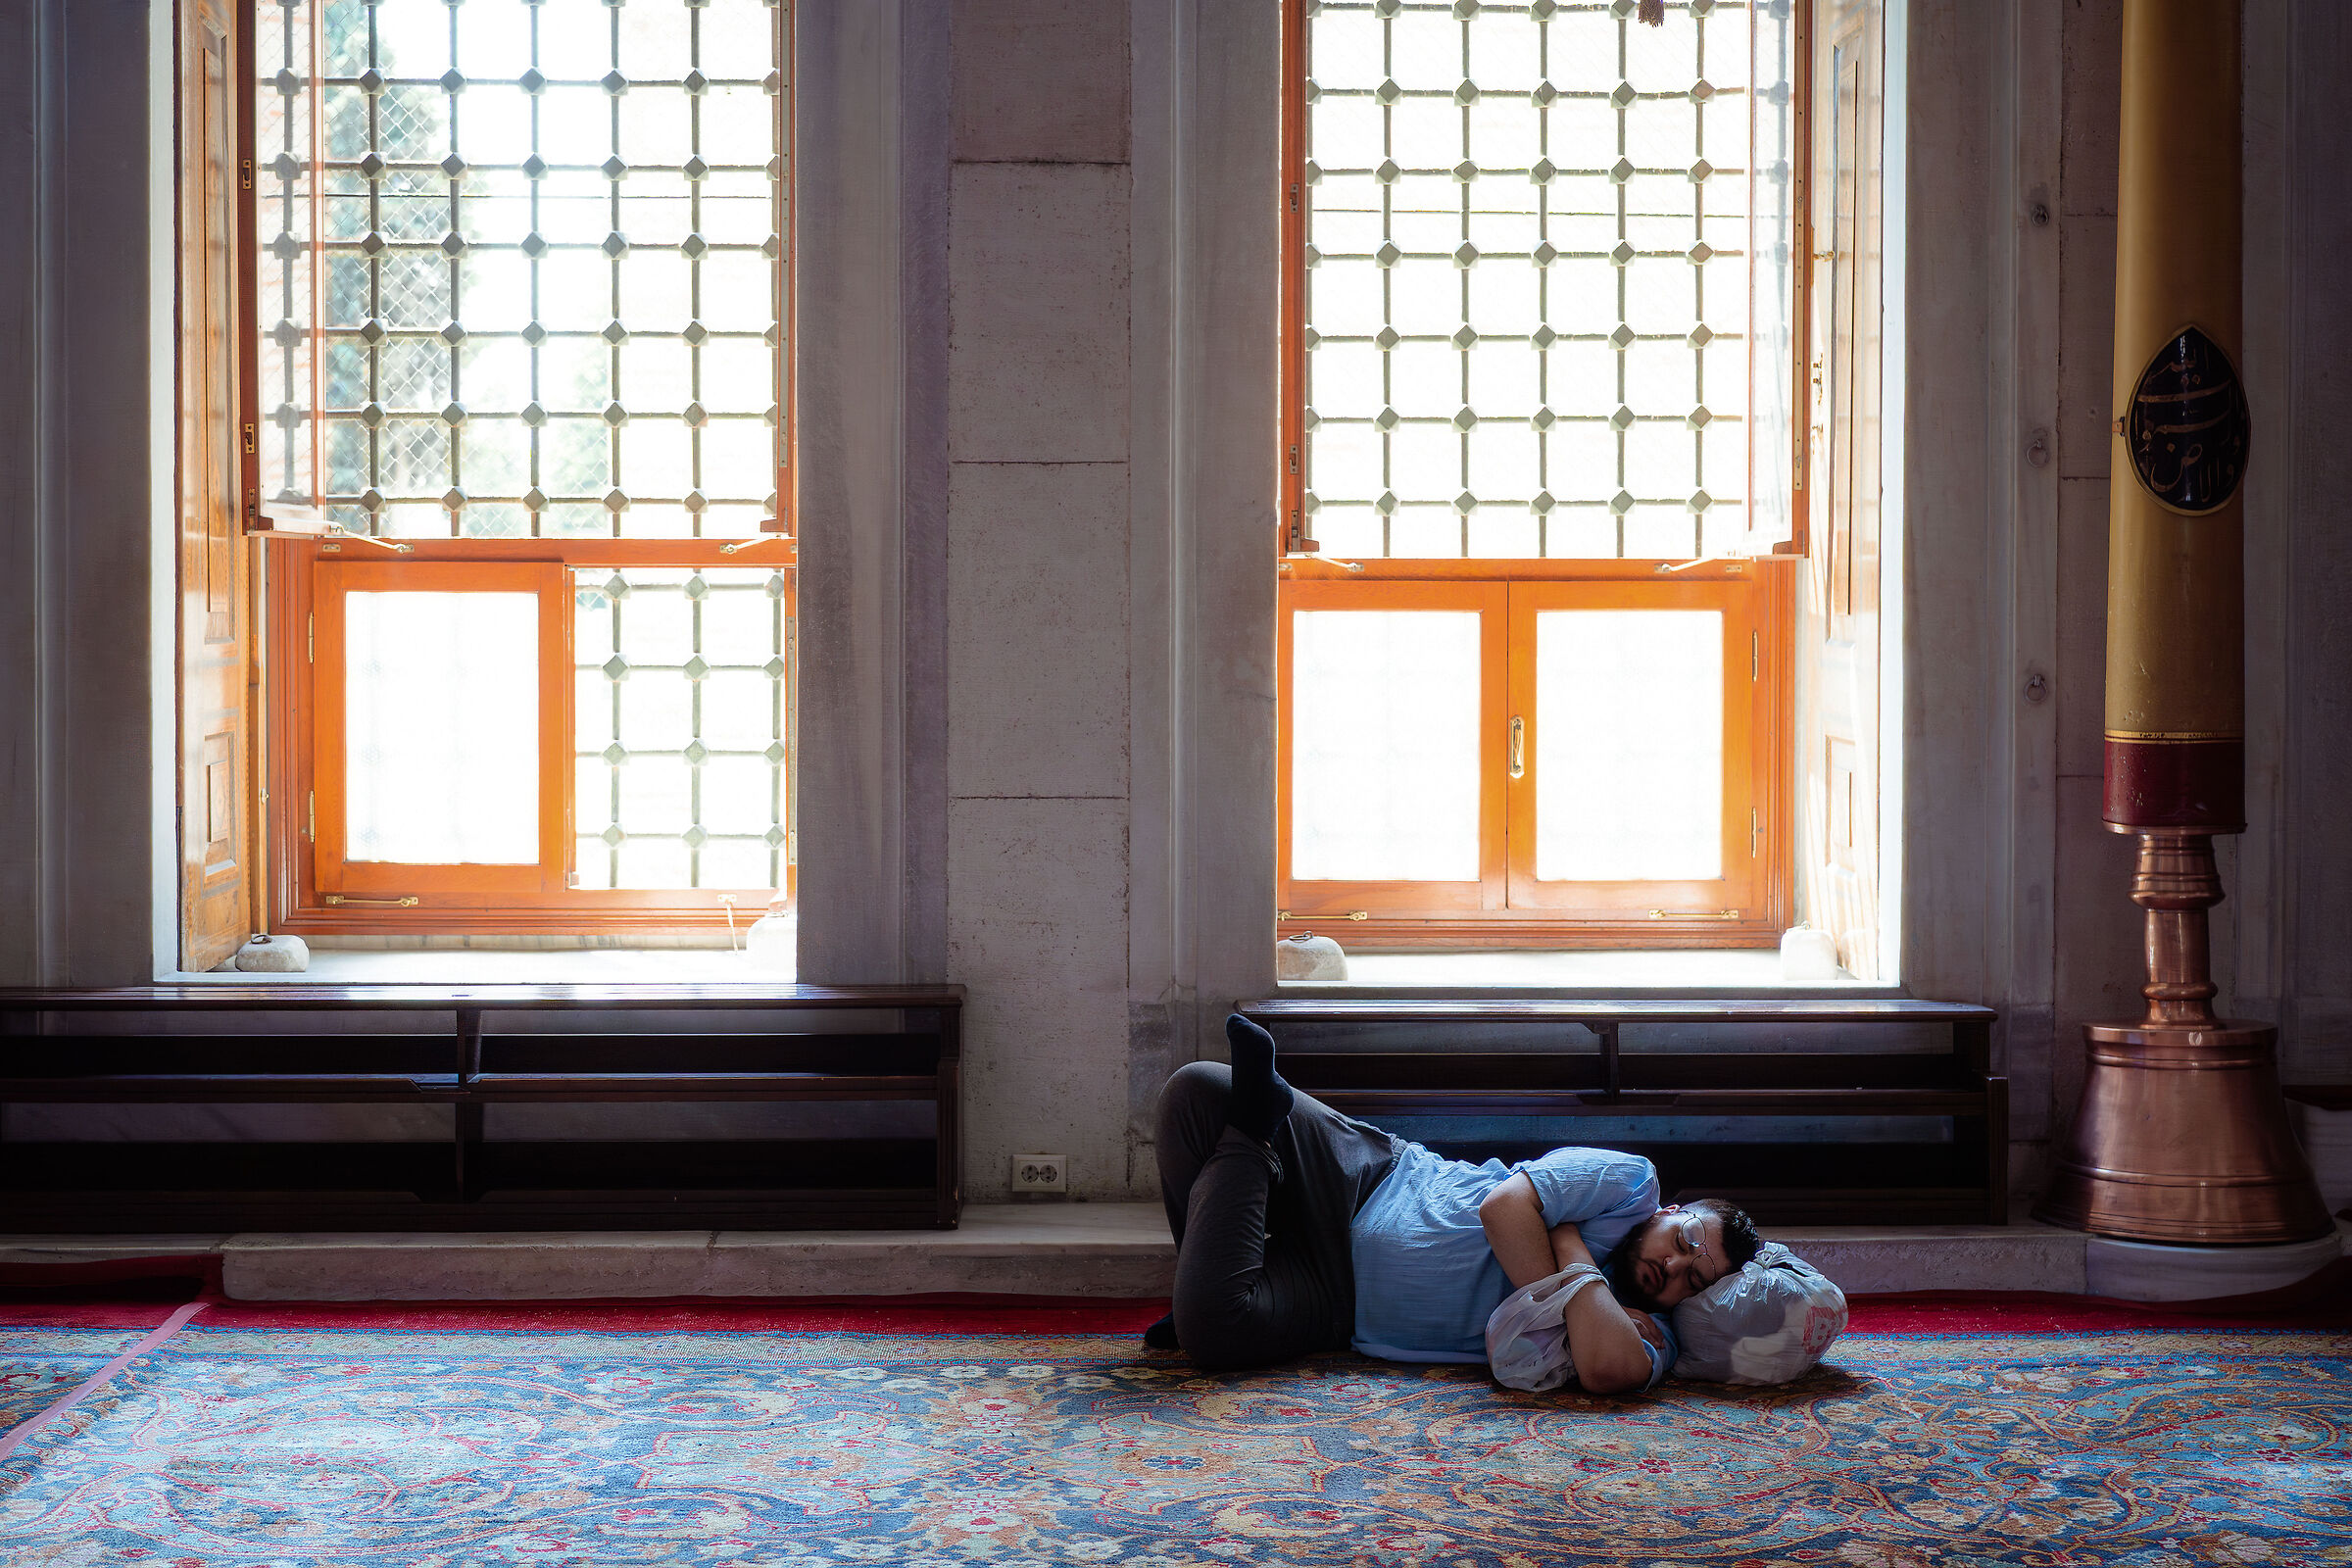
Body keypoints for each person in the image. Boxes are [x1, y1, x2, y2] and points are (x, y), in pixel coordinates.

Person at [1148, 1015, 1762, 1393]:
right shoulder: (1632, 1184)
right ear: (1667, 1214)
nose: (1675, 1268)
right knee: (1196, 1090)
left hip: (1338, 1303)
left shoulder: (1651, 1332)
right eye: (1684, 1243)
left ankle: (1251, 1146)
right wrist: (1570, 1297)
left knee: (1211, 1333)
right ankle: (1222, 1222)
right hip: (1370, 1177)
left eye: (1694, 1278)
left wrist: (1568, 1242)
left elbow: (1605, 1372)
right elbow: (1503, 1207)